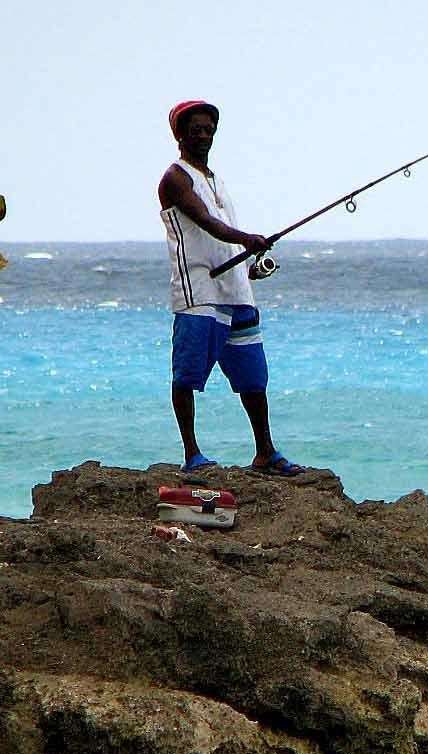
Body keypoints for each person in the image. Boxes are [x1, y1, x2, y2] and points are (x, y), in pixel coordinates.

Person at [158, 99, 303, 476]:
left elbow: (219, 231)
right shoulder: (175, 178)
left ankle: (265, 452)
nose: (203, 136)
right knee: (187, 373)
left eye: (209, 130)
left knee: (253, 377)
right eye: (196, 130)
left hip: (236, 290)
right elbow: (204, 222)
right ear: (180, 135)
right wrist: (248, 239)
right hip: (199, 290)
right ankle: (192, 453)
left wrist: (249, 264)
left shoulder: (217, 180)